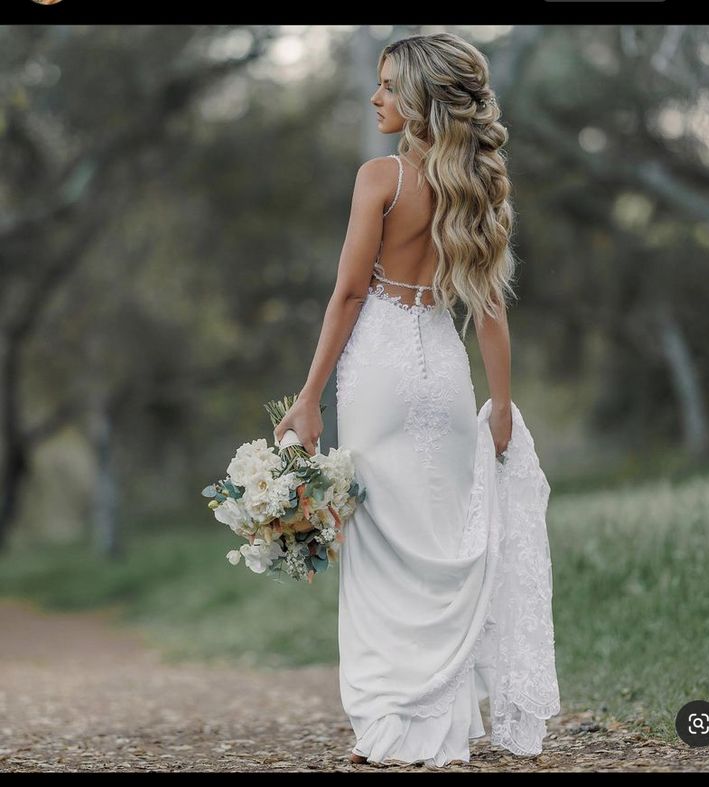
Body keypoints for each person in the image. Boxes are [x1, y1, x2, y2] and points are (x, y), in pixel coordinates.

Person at [273, 31, 560, 768]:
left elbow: (345, 293)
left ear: (421, 97)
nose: (376, 97)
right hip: (442, 360)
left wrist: (307, 399)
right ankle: (444, 723)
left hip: (377, 365)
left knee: (378, 542)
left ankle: (395, 726)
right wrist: (500, 407)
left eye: (387, 86)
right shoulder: (480, 186)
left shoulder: (381, 178)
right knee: (440, 541)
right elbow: (489, 312)